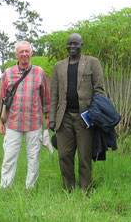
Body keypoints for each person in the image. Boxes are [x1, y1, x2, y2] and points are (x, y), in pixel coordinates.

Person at [49, 33, 105, 192]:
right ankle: (68, 189)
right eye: (69, 44)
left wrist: (96, 115)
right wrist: (52, 119)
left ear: (81, 46)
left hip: (85, 118)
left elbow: (99, 91)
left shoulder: (92, 63)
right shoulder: (58, 66)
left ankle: (85, 190)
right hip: (64, 118)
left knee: (84, 157)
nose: (72, 47)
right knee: (64, 156)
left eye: (75, 44)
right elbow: (54, 95)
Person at [0, 41, 50, 189]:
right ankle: (5, 187)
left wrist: (48, 117)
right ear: (16, 54)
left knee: (33, 157)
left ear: (31, 53)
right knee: (9, 157)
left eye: (27, 51)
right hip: (13, 122)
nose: (24, 54)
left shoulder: (39, 72)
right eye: (21, 52)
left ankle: (30, 188)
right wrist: (1, 121)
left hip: (34, 122)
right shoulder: (8, 73)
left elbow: (46, 97)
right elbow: (2, 99)